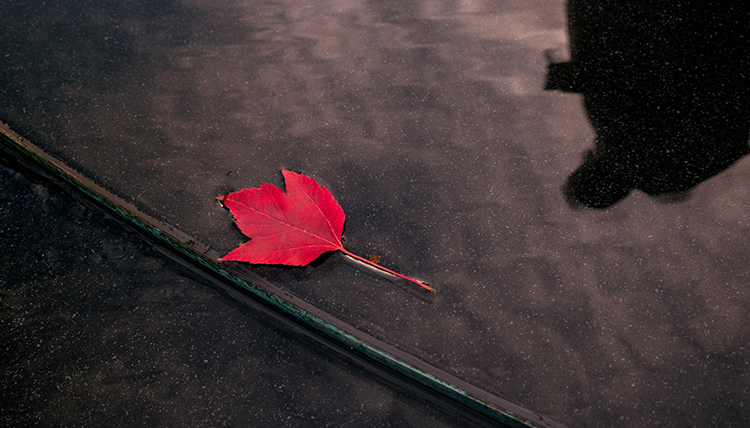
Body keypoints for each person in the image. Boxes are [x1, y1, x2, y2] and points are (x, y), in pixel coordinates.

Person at [546, 0, 750, 208]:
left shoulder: (671, 179)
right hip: (705, 31)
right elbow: (600, 48)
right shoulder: (610, 123)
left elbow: (737, 145)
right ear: (589, 167)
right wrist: (565, 76)